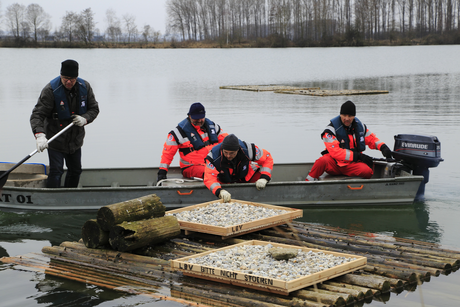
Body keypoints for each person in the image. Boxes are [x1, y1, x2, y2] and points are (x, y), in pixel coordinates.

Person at [30, 59, 100, 188]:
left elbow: (94, 109)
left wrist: (85, 119)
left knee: (76, 170)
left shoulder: (85, 87)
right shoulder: (50, 90)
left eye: (72, 79)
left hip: (75, 140)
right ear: (61, 76)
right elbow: (37, 115)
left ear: (76, 77)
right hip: (55, 138)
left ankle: (69, 197)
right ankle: (52, 201)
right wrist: (39, 135)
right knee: (56, 171)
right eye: (65, 78)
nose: (69, 82)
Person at [305, 100, 392, 181]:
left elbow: (372, 139)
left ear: (354, 116)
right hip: (334, 164)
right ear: (340, 115)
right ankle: (308, 182)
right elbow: (335, 152)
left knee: (368, 171)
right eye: (344, 115)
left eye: (350, 116)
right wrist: (358, 156)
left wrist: (383, 147)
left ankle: (352, 183)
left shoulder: (360, 127)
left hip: (351, 165)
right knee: (321, 161)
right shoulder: (330, 130)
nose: (347, 118)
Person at [157, 102, 227, 182]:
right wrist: (162, 172)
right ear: (189, 116)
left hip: (212, 163)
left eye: (201, 117)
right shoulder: (178, 133)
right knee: (212, 174)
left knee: (229, 171)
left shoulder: (213, 127)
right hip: (191, 167)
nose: (200, 120)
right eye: (196, 118)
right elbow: (167, 153)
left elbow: (227, 141)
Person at [204, 134, 274, 202]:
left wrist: (264, 177)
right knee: (213, 185)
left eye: (232, 153)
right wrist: (219, 191)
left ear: (238, 150)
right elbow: (209, 178)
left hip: (246, 175)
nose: (228, 156)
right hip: (224, 180)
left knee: (264, 180)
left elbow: (267, 157)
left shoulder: (248, 149)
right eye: (225, 152)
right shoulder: (213, 157)